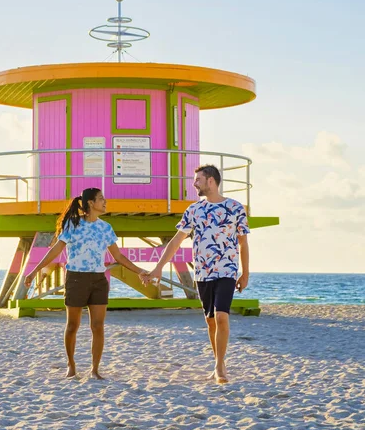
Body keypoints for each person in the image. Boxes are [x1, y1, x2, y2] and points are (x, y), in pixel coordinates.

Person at [141, 164, 250, 384]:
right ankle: (218, 360)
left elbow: (243, 242)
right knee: (210, 321)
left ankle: (220, 367)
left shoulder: (236, 208)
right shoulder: (194, 210)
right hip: (202, 272)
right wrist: (159, 266)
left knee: (221, 316)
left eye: (198, 179)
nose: (194, 183)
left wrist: (245, 273)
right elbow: (175, 241)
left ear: (211, 181)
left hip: (227, 270)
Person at [25, 187, 145, 380]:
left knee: (97, 326)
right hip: (76, 278)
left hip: (98, 279)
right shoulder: (73, 225)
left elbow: (118, 256)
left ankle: (95, 369)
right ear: (90, 203)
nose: (105, 202)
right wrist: (34, 271)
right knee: (72, 325)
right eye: (101, 199)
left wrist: (141, 271)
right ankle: (71, 366)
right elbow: (55, 251)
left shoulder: (106, 227)